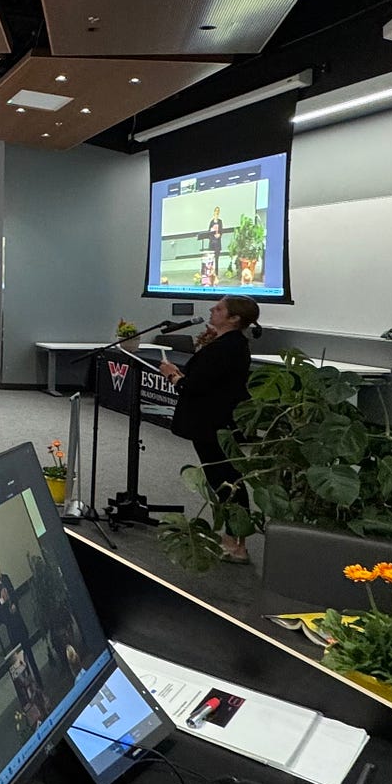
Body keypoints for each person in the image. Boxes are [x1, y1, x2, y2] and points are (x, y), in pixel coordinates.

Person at [159, 295, 262, 564]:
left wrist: (172, 375)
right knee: (221, 478)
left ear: (234, 318)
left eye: (218, 309)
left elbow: (195, 385)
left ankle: (236, 544)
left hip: (213, 422)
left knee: (226, 479)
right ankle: (232, 540)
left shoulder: (228, 347)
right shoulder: (226, 343)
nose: (212, 311)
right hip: (211, 420)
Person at [0, 551, 41, 689]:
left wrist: (13, 605)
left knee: (29, 653)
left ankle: (40, 683)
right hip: (11, 628)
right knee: (21, 661)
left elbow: (14, 595)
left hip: (18, 621)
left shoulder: (6, 578)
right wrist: (7, 610)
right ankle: (32, 688)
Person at [207, 205, 225, 281]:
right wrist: (211, 232)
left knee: (216, 259)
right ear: (214, 213)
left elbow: (221, 231)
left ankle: (216, 275)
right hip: (212, 243)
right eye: (215, 211)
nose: (216, 213)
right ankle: (210, 274)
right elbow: (208, 232)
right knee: (211, 259)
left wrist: (219, 235)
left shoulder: (220, 221)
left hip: (217, 243)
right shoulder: (211, 222)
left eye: (218, 212)